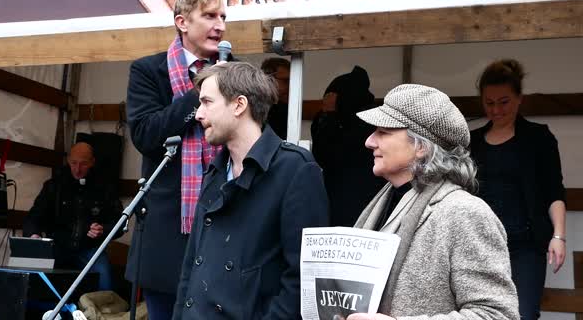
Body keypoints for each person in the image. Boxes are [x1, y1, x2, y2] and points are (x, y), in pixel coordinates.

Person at [347, 84, 519, 320]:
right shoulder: (385, 203)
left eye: (383, 132)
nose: (369, 141)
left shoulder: (464, 212)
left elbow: (497, 315)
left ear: (421, 147)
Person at [172, 62, 329, 319]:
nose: (198, 114)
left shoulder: (295, 169)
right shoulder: (214, 171)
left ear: (239, 105)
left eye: (207, 102)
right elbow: (191, 266)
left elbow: (302, 278)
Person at [125, 0, 227, 319]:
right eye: (210, 16)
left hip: (225, 223)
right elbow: (145, 135)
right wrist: (203, 88)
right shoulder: (148, 70)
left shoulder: (235, 71)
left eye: (223, 17)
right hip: (167, 231)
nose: (220, 26)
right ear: (182, 22)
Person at [470, 59, 566, 320]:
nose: (496, 109)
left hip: (527, 246)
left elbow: (554, 191)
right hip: (483, 244)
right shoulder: (473, 142)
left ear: (519, 99)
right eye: (489, 103)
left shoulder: (538, 138)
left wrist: (558, 237)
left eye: (504, 101)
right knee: (482, 314)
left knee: (524, 314)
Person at [23, 142, 122, 291]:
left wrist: (103, 230)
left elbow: (120, 222)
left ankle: (103, 314)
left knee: (105, 280)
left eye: (83, 164)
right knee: (30, 279)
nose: (77, 169)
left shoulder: (104, 188)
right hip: (57, 247)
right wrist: (33, 234)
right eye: (74, 163)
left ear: (92, 162)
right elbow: (34, 216)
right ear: (68, 160)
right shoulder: (54, 186)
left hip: (89, 249)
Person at [311, 66, 386, 226]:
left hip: (360, 197)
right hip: (342, 196)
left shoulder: (369, 121)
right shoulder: (336, 120)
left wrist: (329, 116)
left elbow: (329, 154)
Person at [261, 57, 290, 139]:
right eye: (285, 80)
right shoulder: (257, 106)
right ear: (269, 79)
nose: (290, 85)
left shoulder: (285, 106)